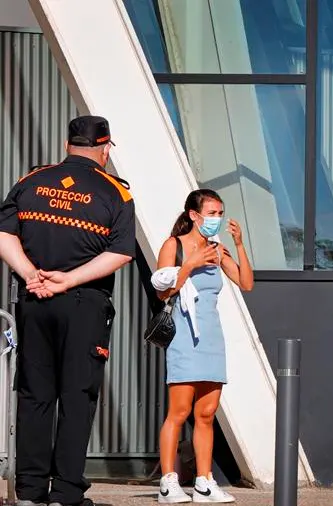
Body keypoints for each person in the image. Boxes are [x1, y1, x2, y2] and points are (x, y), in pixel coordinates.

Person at [0, 115, 135, 506]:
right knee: (77, 397)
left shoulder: (31, 180)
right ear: (106, 149)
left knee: (34, 394)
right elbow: (120, 253)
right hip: (84, 304)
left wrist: (30, 275)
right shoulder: (116, 193)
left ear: (66, 145)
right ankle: (65, 493)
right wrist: (69, 280)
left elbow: (5, 233)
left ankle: (29, 492)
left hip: (34, 301)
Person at [151, 189, 254, 503]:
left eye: (220, 213)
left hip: (211, 335)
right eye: (211, 213)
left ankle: (204, 482)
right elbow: (162, 293)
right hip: (184, 334)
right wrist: (191, 263)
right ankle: (168, 482)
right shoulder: (174, 246)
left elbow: (246, 283)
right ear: (194, 215)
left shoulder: (218, 249)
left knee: (207, 413)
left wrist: (237, 244)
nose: (217, 219)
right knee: (179, 412)